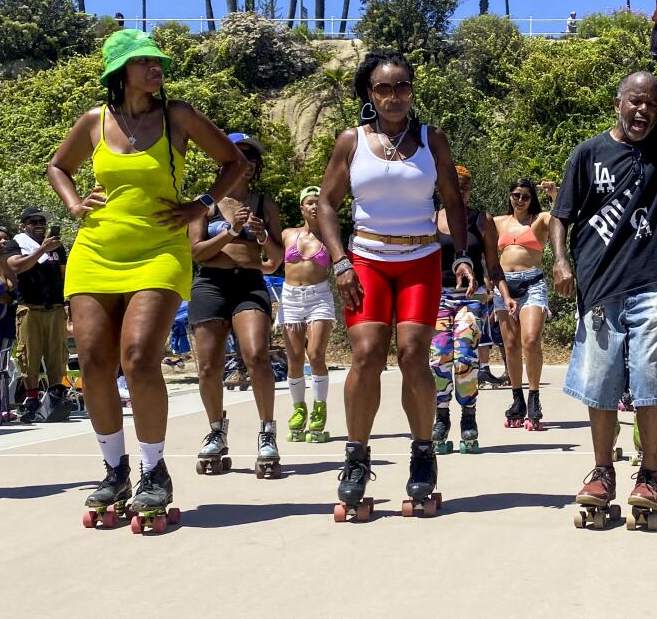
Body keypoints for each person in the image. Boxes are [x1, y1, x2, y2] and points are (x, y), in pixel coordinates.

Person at [49, 28, 246, 527]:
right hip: (95, 249)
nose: (156, 67)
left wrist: (199, 205)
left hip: (160, 251)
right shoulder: (94, 120)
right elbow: (58, 166)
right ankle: (114, 469)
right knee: (94, 359)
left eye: (159, 60)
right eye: (145, 61)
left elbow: (234, 162)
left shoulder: (178, 116)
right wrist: (74, 203)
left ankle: (153, 471)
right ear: (120, 71)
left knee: (138, 357)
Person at [557, 0, 657, 529]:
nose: (643, 109)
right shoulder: (588, 153)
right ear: (618, 104)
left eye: (651, 100)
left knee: (650, 377)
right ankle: (603, 470)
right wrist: (560, 262)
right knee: (600, 381)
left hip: (654, 281)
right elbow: (561, 217)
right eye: (634, 101)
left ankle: (649, 473)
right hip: (600, 286)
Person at [317, 50, 473, 520]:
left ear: (412, 90)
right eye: (383, 88)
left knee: (412, 353)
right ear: (369, 93)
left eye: (402, 86)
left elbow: (453, 201)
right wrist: (340, 262)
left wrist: (462, 254)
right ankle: (356, 458)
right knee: (365, 351)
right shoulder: (351, 141)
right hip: (365, 258)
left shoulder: (432, 140)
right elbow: (326, 204)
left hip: (421, 257)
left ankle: (423, 451)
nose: (393, 96)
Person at [188, 132, 285, 477]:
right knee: (209, 366)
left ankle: (267, 432)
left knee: (256, 354)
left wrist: (259, 236)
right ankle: (216, 429)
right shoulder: (205, 203)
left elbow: (278, 257)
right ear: (223, 161)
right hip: (211, 283)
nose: (245, 163)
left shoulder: (263, 203)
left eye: (251, 158)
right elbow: (196, 252)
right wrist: (230, 231)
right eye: (238, 155)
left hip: (249, 283)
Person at [429, 165, 513, 454]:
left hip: (471, 298)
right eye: (455, 186)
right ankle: (441, 417)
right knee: (439, 360)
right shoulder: (429, 221)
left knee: (465, 356)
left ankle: (468, 416)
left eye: (465, 186)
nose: (460, 191)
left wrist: (505, 295)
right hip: (438, 298)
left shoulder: (481, 220)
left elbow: (493, 265)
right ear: (442, 189)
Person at [494, 178, 556, 430]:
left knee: (530, 341)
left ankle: (534, 398)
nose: (520, 200)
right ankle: (517, 399)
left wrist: (554, 195)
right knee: (510, 345)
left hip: (532, 284)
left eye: (526, 196)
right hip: (505, 286)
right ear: (509, 196)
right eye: (516, 195)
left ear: (533, 199)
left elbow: (561, 218)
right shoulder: (499, 222)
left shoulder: (540, 220)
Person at [279, 186, 335, 444]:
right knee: (294, 358)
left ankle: (320, 407)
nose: (314, 207)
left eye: (317, 203)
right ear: (301, 207)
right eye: (309, 203)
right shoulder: (288, 234)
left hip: (318, 297)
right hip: (290, 298)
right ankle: (299, 408)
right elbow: (271, 261)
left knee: (315, 354)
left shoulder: (329, 237)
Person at [4, 207, 70, 423]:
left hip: (55, 308)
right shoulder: (16, 244)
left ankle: (54, 400)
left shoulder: (56, 246)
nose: (40, 225)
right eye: (33, 221)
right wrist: (42, 250)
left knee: (56, 356)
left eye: (42, 221)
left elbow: (64, 275)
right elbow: (16, 267)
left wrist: (69, 304)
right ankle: (32, 401)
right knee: (29, 357)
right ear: (23, 225)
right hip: (30, 309)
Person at [0, 226, 17, 423]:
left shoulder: (7, 263)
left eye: (5, 239)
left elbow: (12, 292)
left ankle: (0, 408)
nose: (2, 242)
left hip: (6, 322)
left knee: (2, 366)